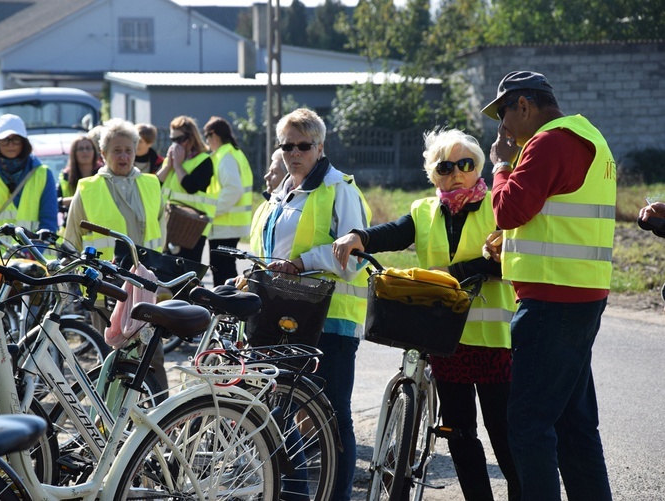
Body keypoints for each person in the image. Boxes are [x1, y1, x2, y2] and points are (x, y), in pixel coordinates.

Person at [332, 128, 521, 501]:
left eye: (465, 164)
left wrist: (462, 272)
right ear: (433, 173)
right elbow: (396, 232)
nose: (456, 173)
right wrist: (360, 237)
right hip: (446, 342)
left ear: (478, 167)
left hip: (495, 342)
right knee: (459, 433)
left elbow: (512, 260)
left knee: (505, 436)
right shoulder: (424, 210)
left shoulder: (498, 205)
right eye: (445, 166)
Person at [482, 70, 615, 501]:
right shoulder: (587, 135)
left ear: (524, 104)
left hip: (551, 305)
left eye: (503, 115)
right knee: (573, 425)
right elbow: (553, 216)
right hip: (577, 297)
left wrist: (500, 164)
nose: (502, 129)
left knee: (527, 425)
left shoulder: (548, 140)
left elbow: (508, 208)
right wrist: (514, 247)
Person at [249, 108, 371, 501]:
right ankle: (298, 495)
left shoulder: (340, 188)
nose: (295, 152)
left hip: (332, 322)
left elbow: (353, 261)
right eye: (287, 145)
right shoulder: (280, 195)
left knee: (333, 419)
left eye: (304, 145)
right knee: (280, 417)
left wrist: (301, 263)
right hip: (284, 319)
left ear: (321, 147)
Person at [64, 118, 169, 389]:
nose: (123, 156)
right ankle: (109, 419)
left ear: (136, 151)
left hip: (145, 284)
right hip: (106, 287)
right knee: (111, 355)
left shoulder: (151, 184)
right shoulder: (88, 188)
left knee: (151, 354)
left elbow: (162, 234)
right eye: (116, 150)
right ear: (103, 154)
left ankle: (159, 415)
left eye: (128, 150)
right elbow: (71, 240)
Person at [0, 114, 57, 237]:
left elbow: (49, 223)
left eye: (16, 139)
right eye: (5, 139)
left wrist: (32, 250)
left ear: (24, 142)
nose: (10, 145)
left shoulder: (43, 173)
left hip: (34, 254)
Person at [157, 115, 216, 263]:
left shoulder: (204, 160)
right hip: (170, 222)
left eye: (180, 139)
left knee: (188, 270)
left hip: (192, 226)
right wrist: (169, 166)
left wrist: (178, 166)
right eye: (173, 140)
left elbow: (191, 187)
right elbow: (155, 185)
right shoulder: (171, 160)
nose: (176, 144)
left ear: (191, 138)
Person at [204, 116, 253, 286]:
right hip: (230, 223)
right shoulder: (233, 153)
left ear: (214, 136)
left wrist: (212, 211)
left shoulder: (225, 156)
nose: (207, 142)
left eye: (207, 137)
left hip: (225, 223)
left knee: (222, 270)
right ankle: (230, 305)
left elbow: (234, 190)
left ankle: (227, 306)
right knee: (224, 268)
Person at [57, 136, 100, 227]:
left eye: (88, 148)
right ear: (74, 153)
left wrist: (71, 200)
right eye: (80, 149)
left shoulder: (103, 174)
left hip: (99, 227)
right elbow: (55, 203)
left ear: (94, 151)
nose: (85, 151)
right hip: (72, 226)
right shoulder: (65, 176)